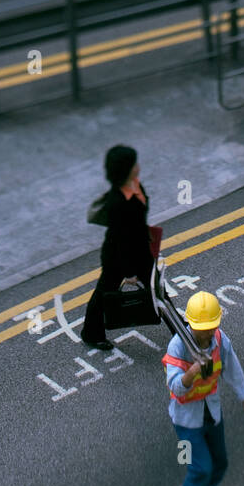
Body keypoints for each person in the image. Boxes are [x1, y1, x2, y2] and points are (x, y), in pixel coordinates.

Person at [163, 291, 244, 486]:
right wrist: (191, 372)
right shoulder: (178, 347)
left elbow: (232, 368)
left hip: (211, 412)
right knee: (199, 466)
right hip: (186, 418)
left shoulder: (219, 340)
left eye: (210, 326)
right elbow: (175, 387)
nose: (206, 333)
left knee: (219, 461)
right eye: (201, 327)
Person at [82, 145, 152, 351]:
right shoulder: (117, 203)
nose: (138, 167)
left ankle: (177, 327)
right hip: (118, 258)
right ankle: (91, 333)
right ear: (126, 169)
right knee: (104, 294)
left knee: (155, 287)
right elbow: (122, 240)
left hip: (139, 250)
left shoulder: (134, 185)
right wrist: (129, 272)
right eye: (134, 164)